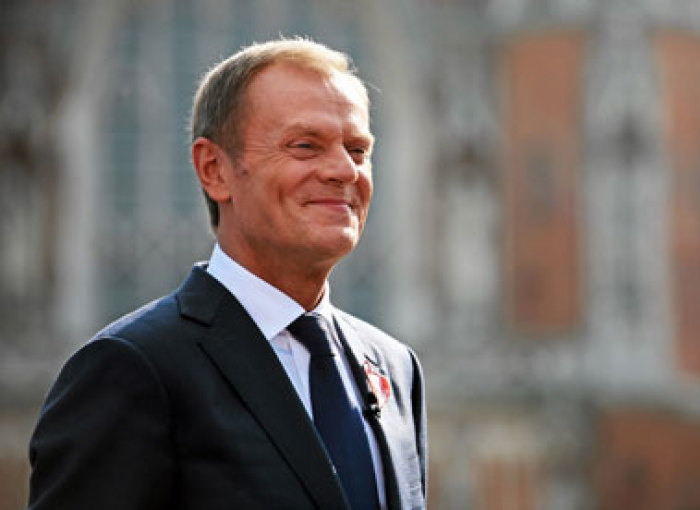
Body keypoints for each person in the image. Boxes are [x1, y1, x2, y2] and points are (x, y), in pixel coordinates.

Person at [28, 37, 427, 510]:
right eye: (305, 146)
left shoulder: (395, 368)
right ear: (214, 169)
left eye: (358, 150)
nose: (344, 170)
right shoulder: (132, 368)